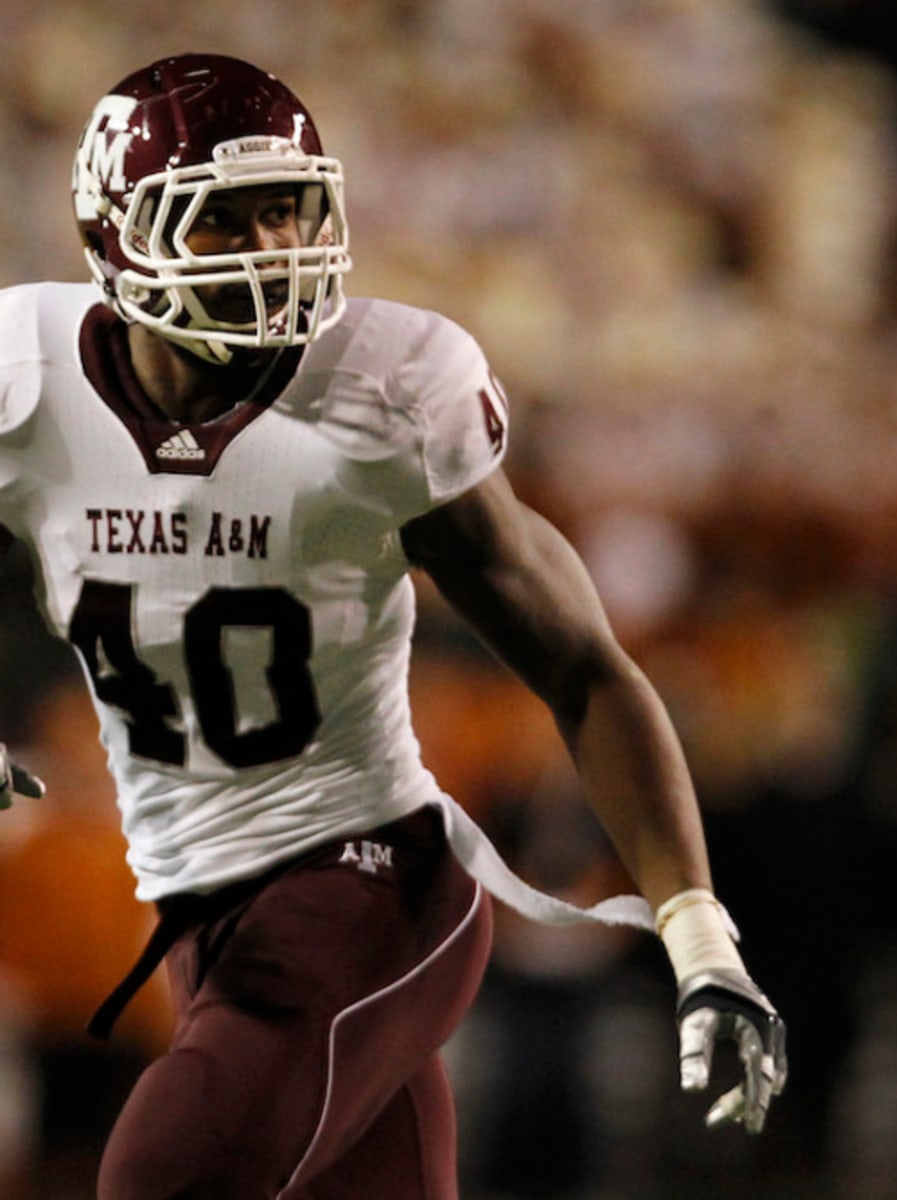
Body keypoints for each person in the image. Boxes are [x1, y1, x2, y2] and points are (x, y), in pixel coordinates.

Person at [0, 53, 786, 1199]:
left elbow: (580, 666)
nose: (275, 248)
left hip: (367, 884)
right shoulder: (26, 380)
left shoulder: (384, 397)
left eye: (289, 207)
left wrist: (700, 937)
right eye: (226, 219)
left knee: (163, 1179)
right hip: (195, 914)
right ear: (116, 233)